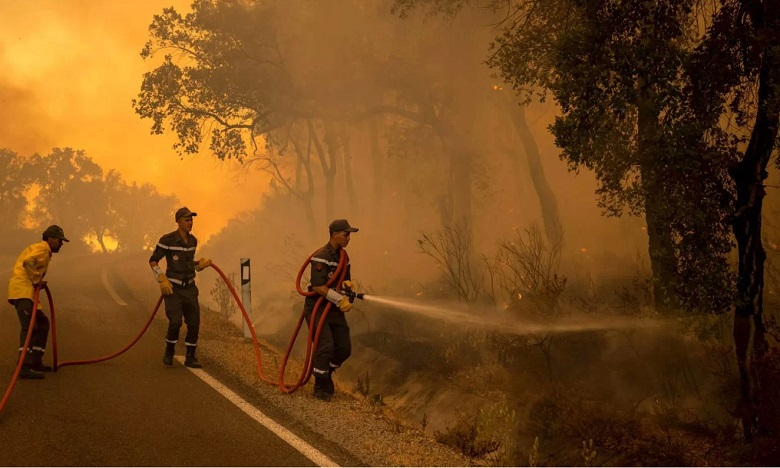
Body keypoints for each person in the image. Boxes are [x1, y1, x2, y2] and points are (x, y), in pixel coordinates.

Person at [304, 218, 359, 401]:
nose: (348, 238)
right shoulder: (321, 256)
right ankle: (320, 386)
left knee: (344, 348)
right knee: (325, 345)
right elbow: (319, 286)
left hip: (333, 309)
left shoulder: (344, 257)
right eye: (346, 234)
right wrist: (339, 299)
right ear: (335, 234)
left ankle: (326, 373)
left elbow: (344, 279)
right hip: (317, 308)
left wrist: (347, 286)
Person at [149, 207, 211, 368]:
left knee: (194, 322)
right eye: (187, 220)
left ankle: (190, 356)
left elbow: (189, 262)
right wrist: (161, 278)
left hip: (189, 288)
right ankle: (169, 352)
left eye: (191, 220)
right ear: (178, 222)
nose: (190, 223)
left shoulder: (193, 241)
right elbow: (153, 260)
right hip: (173, 288)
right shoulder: (167, 240)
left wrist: (200, 265)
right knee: (175, 322)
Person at [7, 225, 69, 379]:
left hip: (28, 294)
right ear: (50, 239)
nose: (61, 244)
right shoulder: (43, 248)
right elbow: (28, 262)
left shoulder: (42, 250)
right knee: (30, 328)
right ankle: (24, 366)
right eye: (59, 241)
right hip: (23, 292)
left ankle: (35, 362)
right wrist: (37, 280)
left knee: (42, 324)